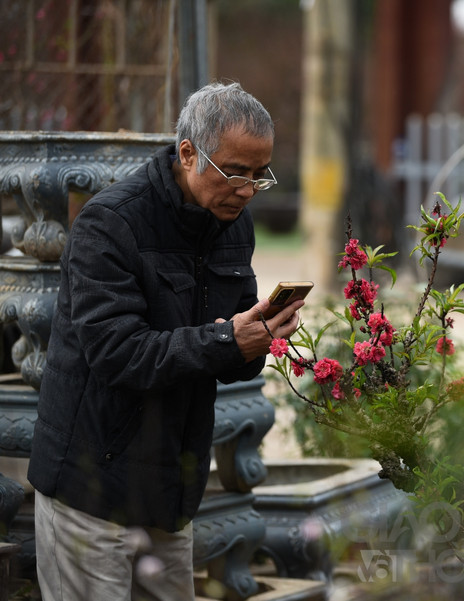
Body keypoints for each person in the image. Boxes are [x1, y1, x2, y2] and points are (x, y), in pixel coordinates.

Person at [26, 82, 304, 600]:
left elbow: (228, 359)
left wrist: (260, 337)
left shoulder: (234, 226)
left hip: (170, 489)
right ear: (187, 152)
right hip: (90, 485)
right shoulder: (110, 223)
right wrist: (229, 340)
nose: (245, 190)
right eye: (234, 172)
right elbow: (118, 353)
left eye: (258, 175)